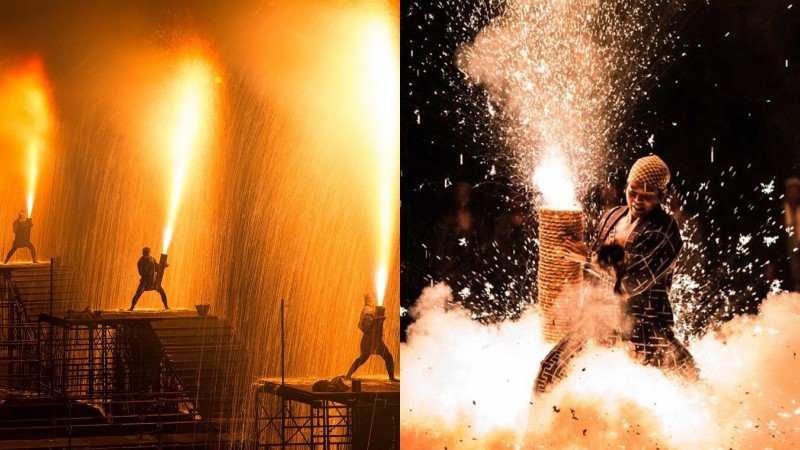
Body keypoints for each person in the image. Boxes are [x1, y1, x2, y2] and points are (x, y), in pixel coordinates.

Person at [534, 155, 698, 394]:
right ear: (626, 187)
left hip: (645, 326)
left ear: (663, 196)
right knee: (549, 369)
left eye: (647, 196)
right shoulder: (612, 216)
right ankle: (535, 428)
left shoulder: (666, 232)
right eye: (633, 192)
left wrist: (589, 257)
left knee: (691, 382)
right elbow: (592, 277)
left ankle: (725, 424)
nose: (637, 201)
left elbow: (632, 280)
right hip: (598, 319)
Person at [345, 293, 398, 382]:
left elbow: (361, 325)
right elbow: (366, 325)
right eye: (374, 299)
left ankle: (348, 375)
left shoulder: (367, 310)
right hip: (371, 339)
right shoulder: (367, 310)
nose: (375, 301)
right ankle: (392, 378)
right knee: (386, 357)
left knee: (364, 358)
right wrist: (378, 319)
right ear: (370, 300)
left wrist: (378, 319)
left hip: (372, 339)